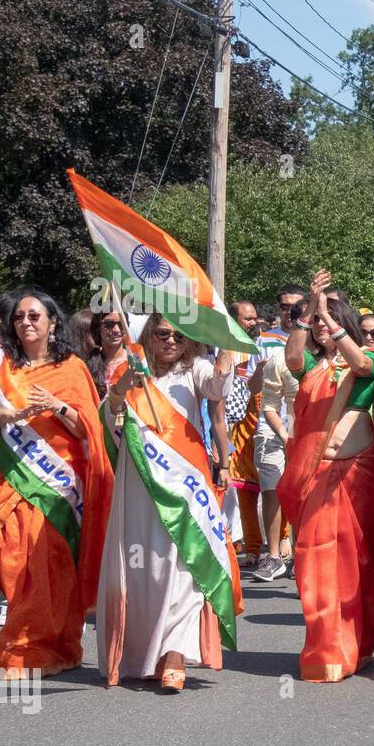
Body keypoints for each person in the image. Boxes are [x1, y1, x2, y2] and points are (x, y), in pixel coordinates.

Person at [0, 288, 113, 677]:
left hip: (57, 485)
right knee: (8, 558)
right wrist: (6, 416)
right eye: (19, 318)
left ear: (52, 321)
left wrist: (57, 407)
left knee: (47, 563)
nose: (26, 322)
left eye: (34, 316)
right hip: (5, 476)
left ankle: (29, 649)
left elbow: (88, 429)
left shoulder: (72, 368)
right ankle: (50, 643)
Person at [96, 315, 241, 690]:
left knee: (183, 567)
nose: (171, 341)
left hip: (183, 486)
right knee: (144, 569)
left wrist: (225, 341)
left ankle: (175, 653)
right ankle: (142, 653)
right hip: (139, 485)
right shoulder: (129, 368)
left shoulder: (195, 369)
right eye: (163, 334)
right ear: (150, 335)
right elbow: (108, 421)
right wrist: (119, 392)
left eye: (180, 335)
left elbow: (215, 387)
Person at [277, 270, 374, 683]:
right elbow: (293, 358)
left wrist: (329, 316)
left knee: (354, 564)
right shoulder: (311, 365)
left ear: (344, 324)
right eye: (317, 322)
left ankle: (358, 643)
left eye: (328, 320)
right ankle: (327, 648)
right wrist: (307, 313)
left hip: (355, 477)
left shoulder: (368, 359)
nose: (319, 325)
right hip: (314, 475)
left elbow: (359, 362)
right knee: (313, 559)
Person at [252, 293, 300, 582]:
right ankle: (273, 557)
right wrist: (284, 435)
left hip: (306, 429)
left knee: (302, 493)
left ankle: (300, 554)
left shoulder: (324, 356)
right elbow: (256, 393)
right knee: (271, 488)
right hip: (273, 428)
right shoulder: (271, 351)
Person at [219, 301, 264, 569]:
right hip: (236, 429)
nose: (252, 322)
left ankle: (282, 542)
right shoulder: (224, 349)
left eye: (254, 317)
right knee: (243, 489)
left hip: (269, 424)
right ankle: (251, 546)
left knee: (274, 488)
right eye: (247, 318)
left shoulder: (266, 344)